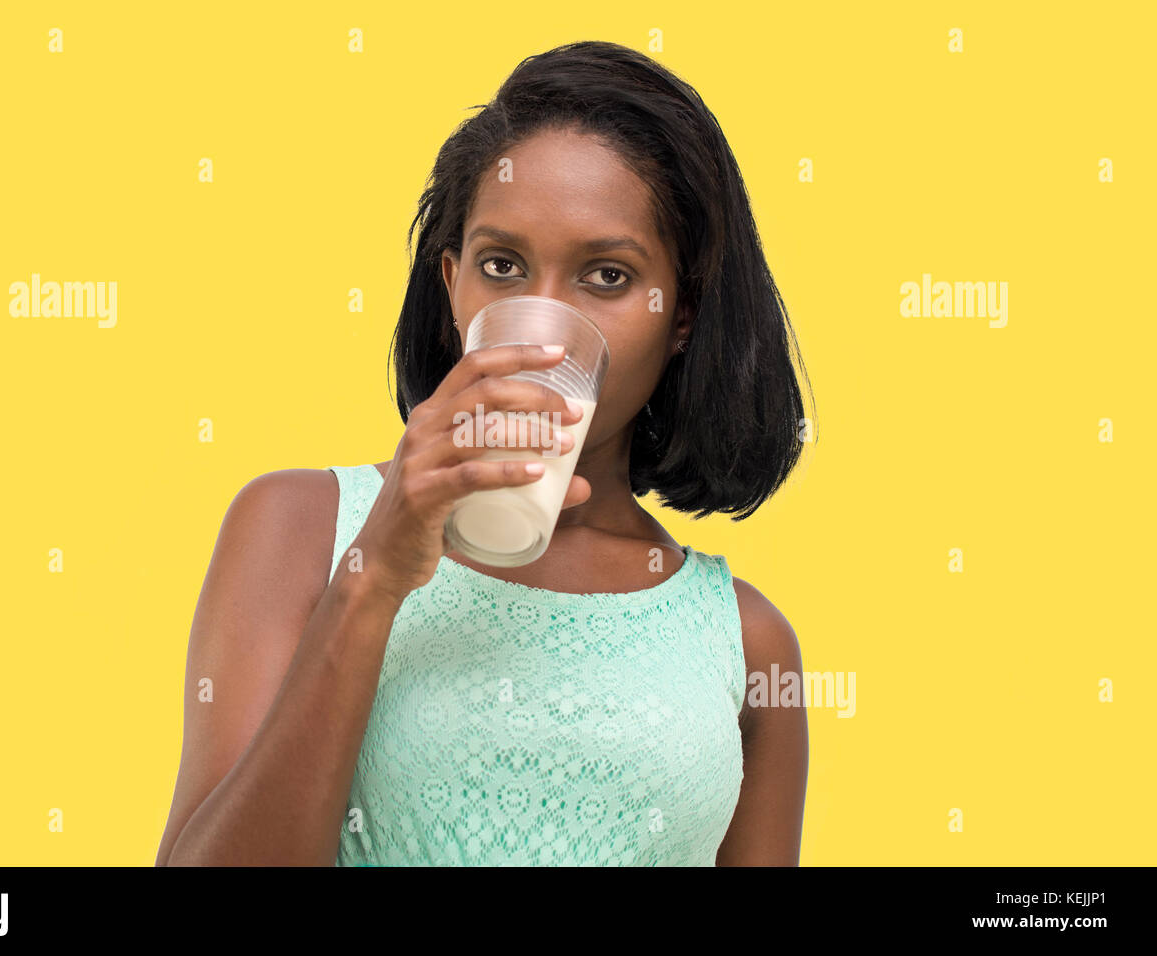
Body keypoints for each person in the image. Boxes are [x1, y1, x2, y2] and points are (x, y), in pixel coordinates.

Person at [157, 39, 814, 866]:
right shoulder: (299, 529)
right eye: (501, 265)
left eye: (607, 277)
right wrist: (375, 577)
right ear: (452, 285)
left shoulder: (747, 644)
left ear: (681, 315)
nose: (542, 331)